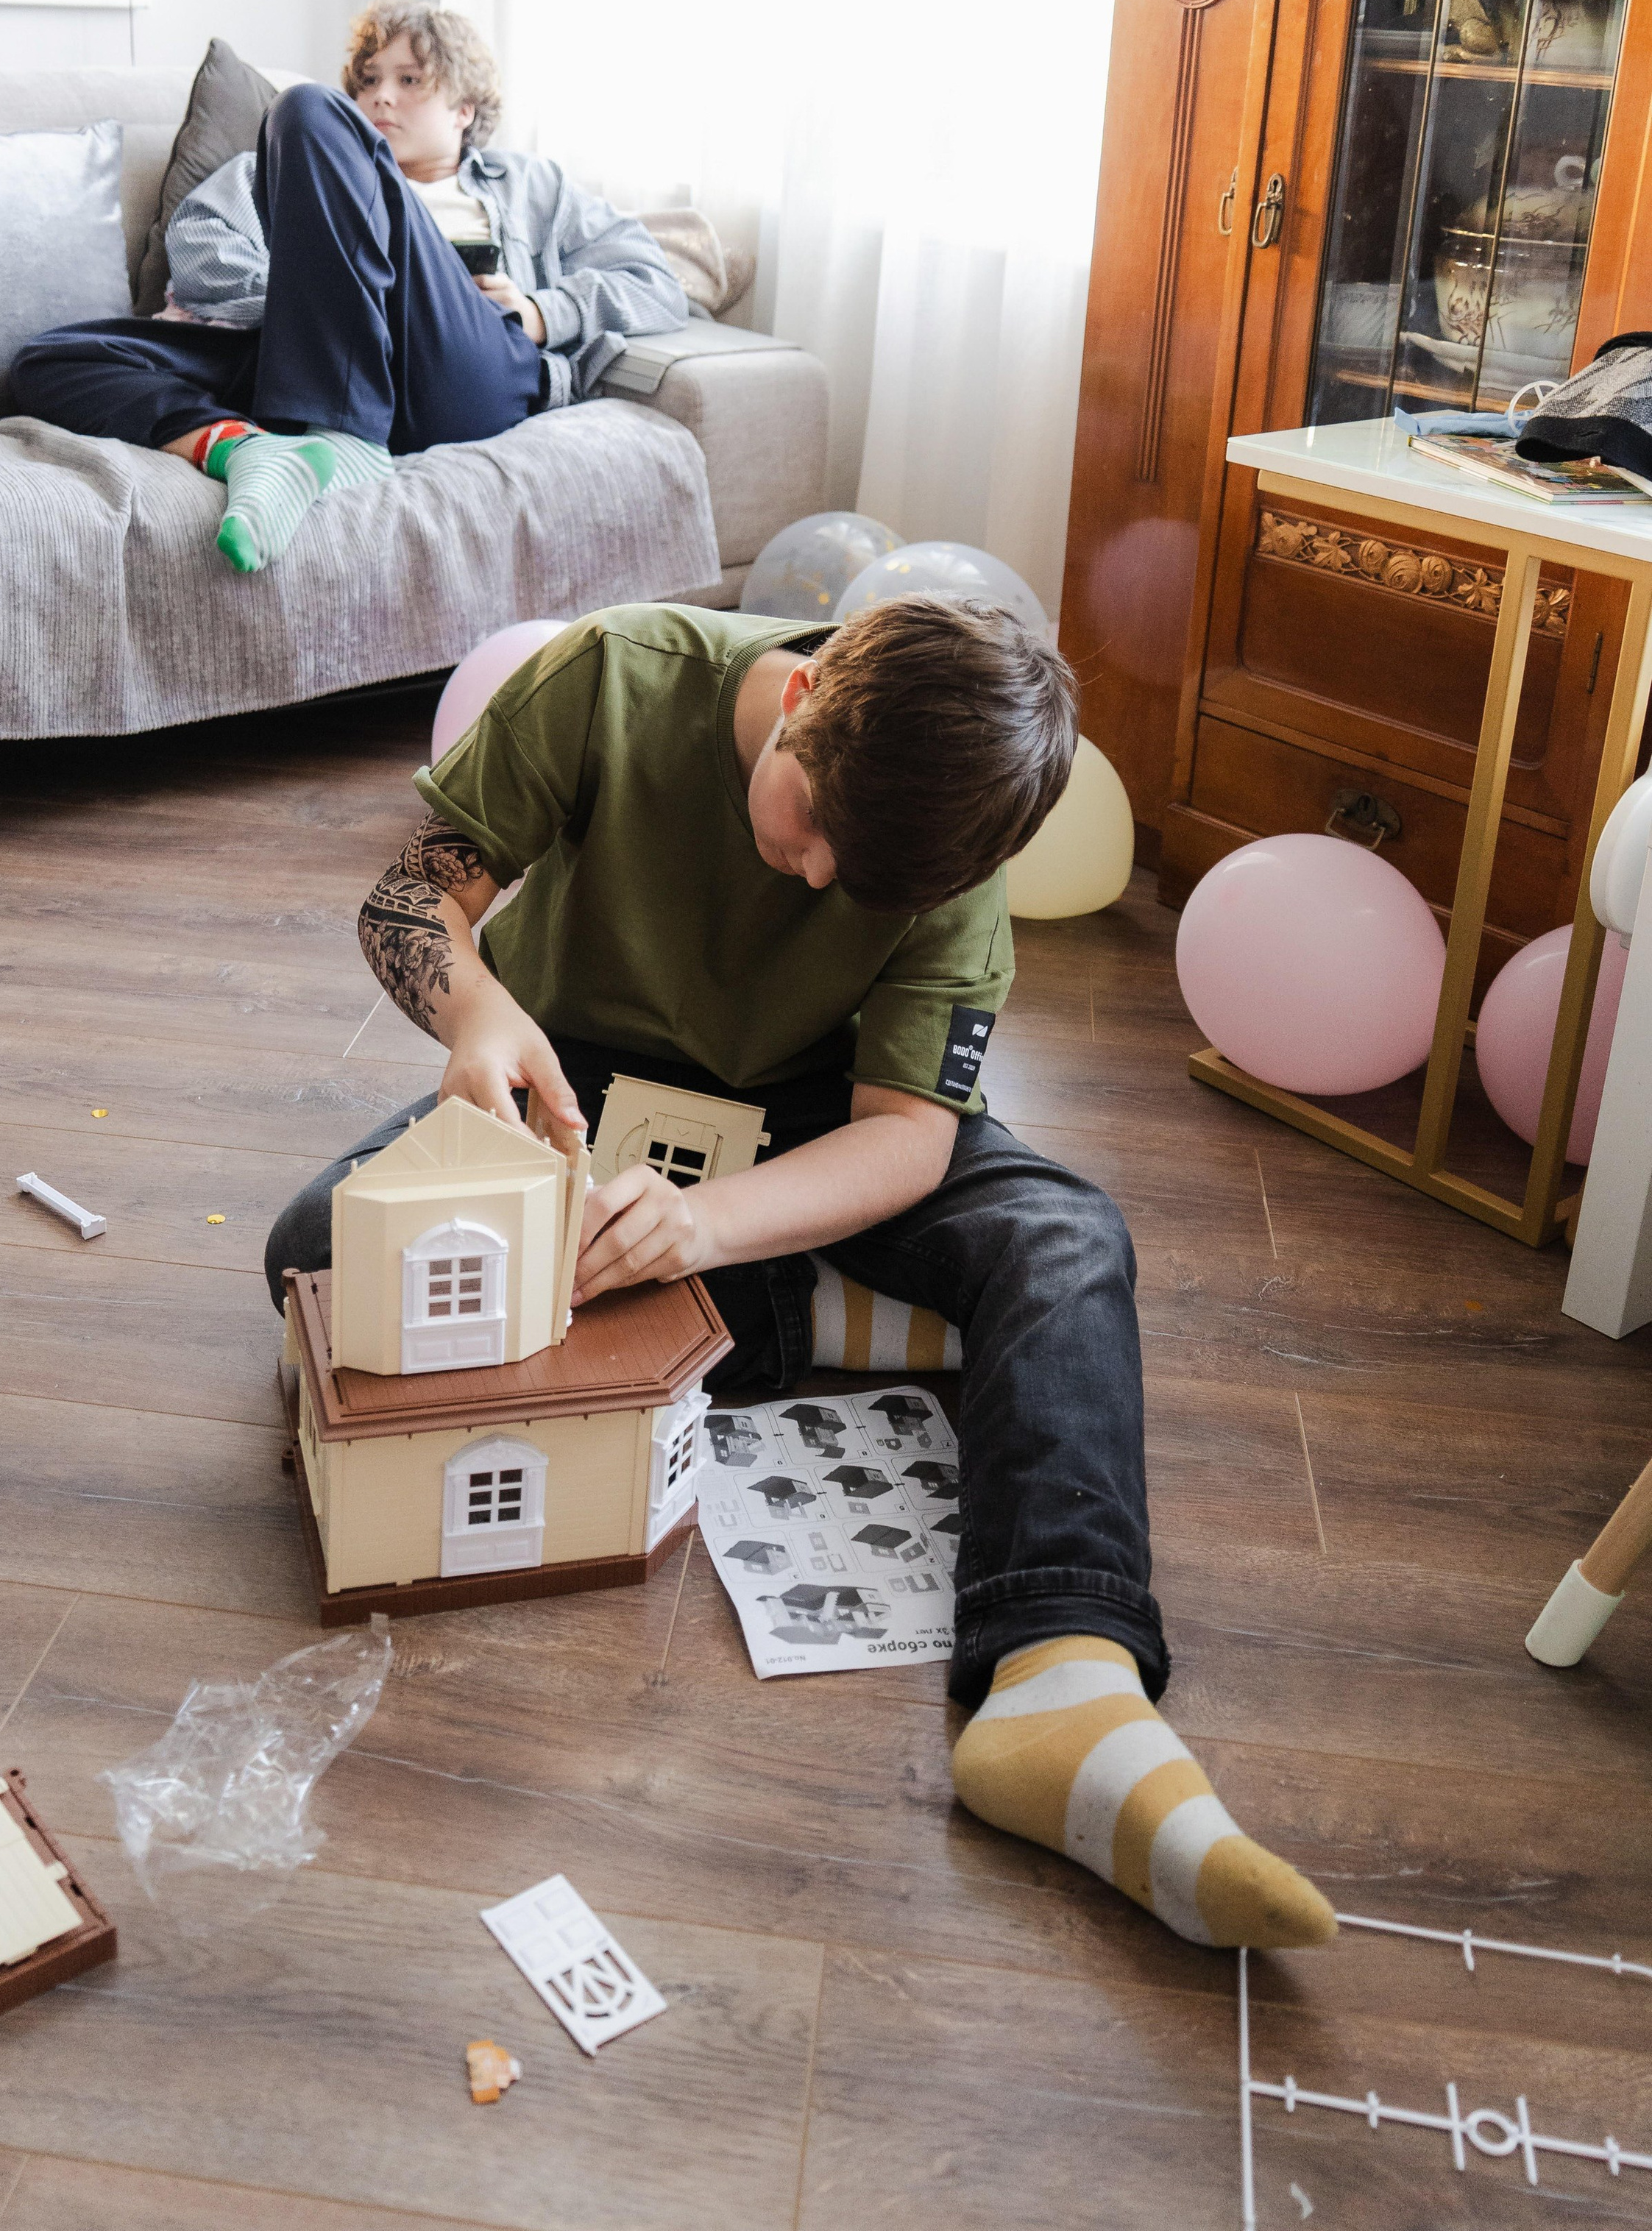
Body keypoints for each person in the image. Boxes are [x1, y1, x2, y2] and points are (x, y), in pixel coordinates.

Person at [263, 595, 1338, 1953]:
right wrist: (474, 1011)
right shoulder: (614, 677)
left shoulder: (947, 845)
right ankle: (840, 1313)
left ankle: (1065, 1681)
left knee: (1065, 1241)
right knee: (317, 1252)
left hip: (822, 1121)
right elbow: (411, 896)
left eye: (867, 880)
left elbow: (907, 1137)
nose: (821, 877)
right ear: (804, 696)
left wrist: (706, 1230)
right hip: (576, 1091)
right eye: (813, 821)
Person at [9, 0, 689, 575]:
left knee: (306, 105)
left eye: (410, 79)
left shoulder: (533, 187)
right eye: (368, 81)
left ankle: (341, 428)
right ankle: (252, 450)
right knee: (52, 360)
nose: (379, 97)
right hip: (300, 357)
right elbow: (201, 251)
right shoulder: (284, 163)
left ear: (464, 108)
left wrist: (542, 312)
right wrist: (325, 293)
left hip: (458, 372)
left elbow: (656, 282)